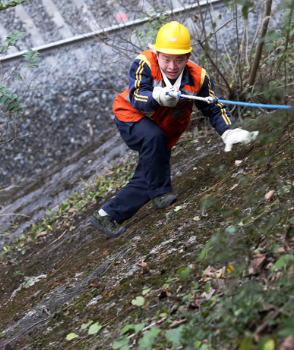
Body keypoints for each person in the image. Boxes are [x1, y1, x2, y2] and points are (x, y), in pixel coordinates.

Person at [90, 21, 258, 237]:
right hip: (130, 117)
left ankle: (106, 215)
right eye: (166, 59)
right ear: (157, 53)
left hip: (164, 129)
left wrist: (229, 131)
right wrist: (157, 96)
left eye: (178, 60)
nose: (171, 66)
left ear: (187, 58)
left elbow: (213, 107)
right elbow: (138, 96)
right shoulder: (143, 63)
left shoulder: (199, 77)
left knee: (151, 171)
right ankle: (161, 194)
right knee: (153, 139)